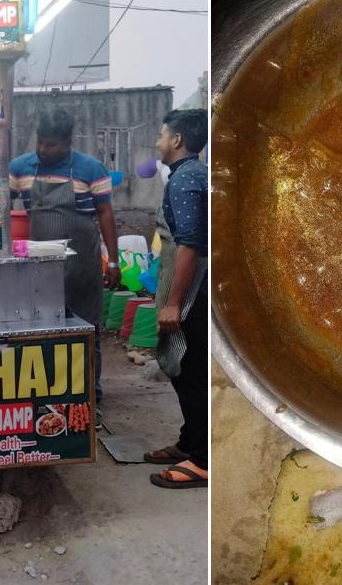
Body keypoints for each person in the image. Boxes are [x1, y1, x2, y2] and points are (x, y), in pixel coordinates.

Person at [8, 109, 120, 428]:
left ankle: (90, 400)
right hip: (40, 267)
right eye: (41, 143)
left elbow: (105, 214)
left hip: (82, 264)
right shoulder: (20, 168)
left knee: (87, 330)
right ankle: (47, 397)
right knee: (42, 330)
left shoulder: (90, 169)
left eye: (53, 145)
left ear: (68, 142)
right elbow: (1, 208)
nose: (45, 150)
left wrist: (112, 260)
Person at [145, 109, 208, 489]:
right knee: (183, 368)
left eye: (161, 134)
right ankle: (189, 442)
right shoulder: (192, 175)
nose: (157, 141)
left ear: (177, 140)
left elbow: (189, 245)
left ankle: (201, 460)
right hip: (187, 288)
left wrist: (173, 303)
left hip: (190, 291)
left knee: (189, 371)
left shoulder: (185, 181)